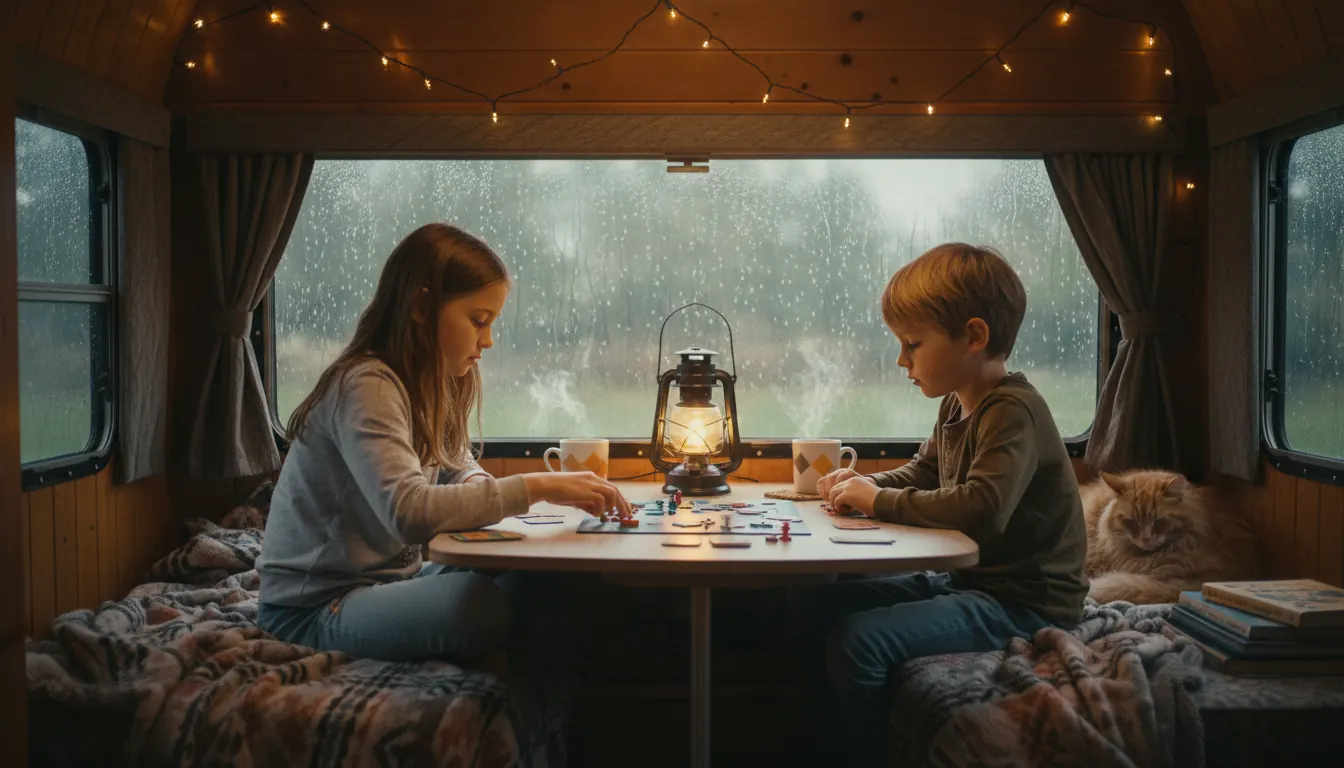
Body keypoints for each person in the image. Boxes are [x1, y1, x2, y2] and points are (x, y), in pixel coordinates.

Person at [256, 222, 630, 664]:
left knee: (545, 570)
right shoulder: (367, 387)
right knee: (476, 604)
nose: (487, 341)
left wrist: (478, 482)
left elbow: (454, 465)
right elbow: (409, 514)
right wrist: (537, 488)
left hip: (392, 579)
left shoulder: (430, 381)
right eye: (478, 321)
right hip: (315, 605)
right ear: (420, 306)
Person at [794, 242, 1089, 766]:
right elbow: (927, 472)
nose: (901, 360)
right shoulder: (958, 402)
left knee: (858, 642)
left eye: (913, 343)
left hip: (1024, 601)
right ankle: (821, 741)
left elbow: (982, 507)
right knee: (816, 604)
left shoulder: (1012, 410)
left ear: (974, 337)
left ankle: (862, 755)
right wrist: (858, 484)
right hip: (971, 581)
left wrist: (879, 500)